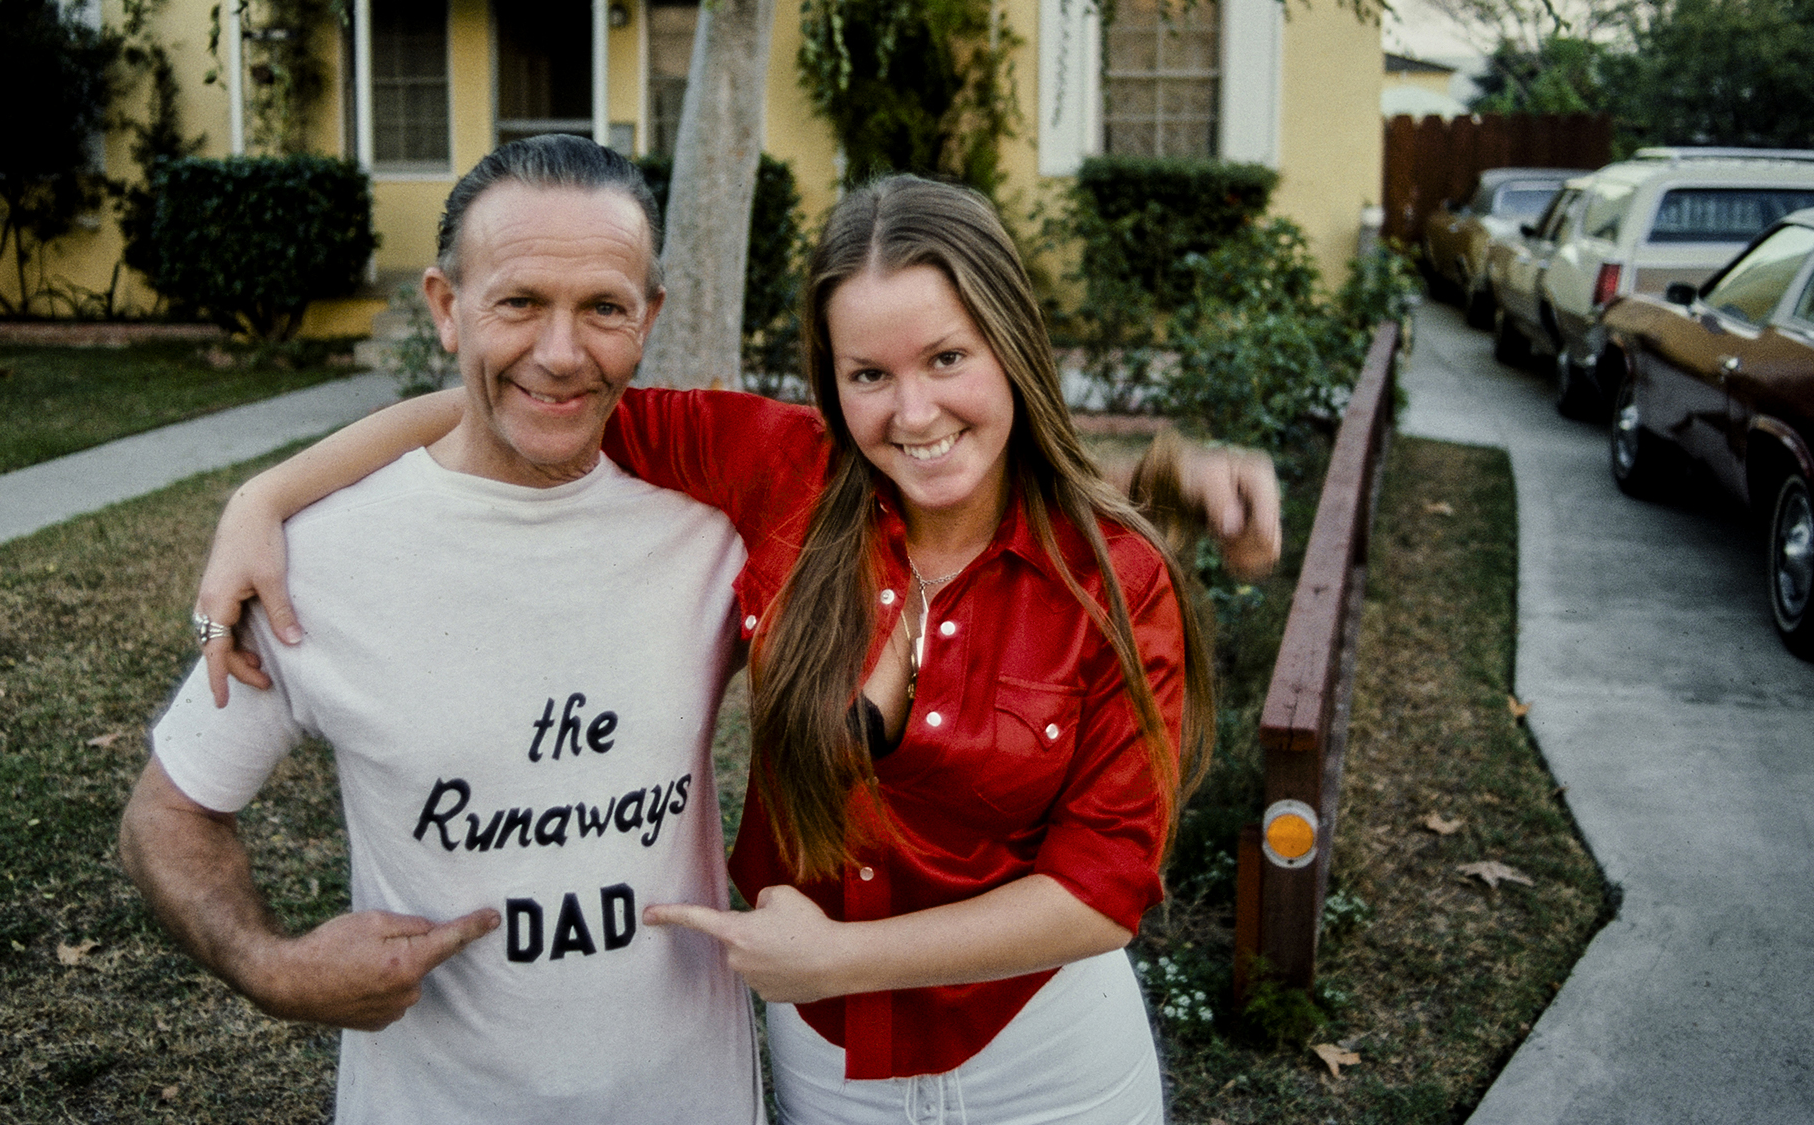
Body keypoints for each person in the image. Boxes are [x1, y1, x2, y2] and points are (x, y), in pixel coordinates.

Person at [193, 158, 1283, 1122]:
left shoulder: (1112, 579)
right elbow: (536, 398)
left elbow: (1100, 890)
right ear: (828, 379)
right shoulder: (781, 474)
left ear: (1013, 347)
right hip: (825, 1067)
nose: (910, 412)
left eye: (947, 357)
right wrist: (269, 494)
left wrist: (839, 958)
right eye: (868, 374)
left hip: (1043, 1059)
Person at [118, 135, 766, 1124]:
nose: (560, 352)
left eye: (602, 308)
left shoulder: (713, 530)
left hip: (689, 1097)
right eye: (517, 303)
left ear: (649, 321)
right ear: (444, 307)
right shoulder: (313, 562)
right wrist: (273, 967)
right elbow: (168, 812)